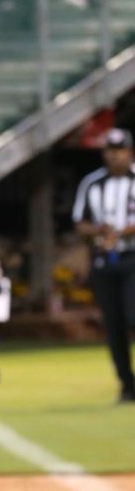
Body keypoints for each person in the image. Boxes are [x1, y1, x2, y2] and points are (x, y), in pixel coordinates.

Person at [72, 128, 135, 403]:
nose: (115, 155)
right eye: (110, 150)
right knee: (114, 324)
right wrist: (100, 229)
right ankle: (127, 385)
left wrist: (123, 232)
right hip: (104, 260)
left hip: (133, 258)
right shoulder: (92, 183)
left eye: (120, 149)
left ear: (129, 151)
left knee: (133, 316)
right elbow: (80, 223)